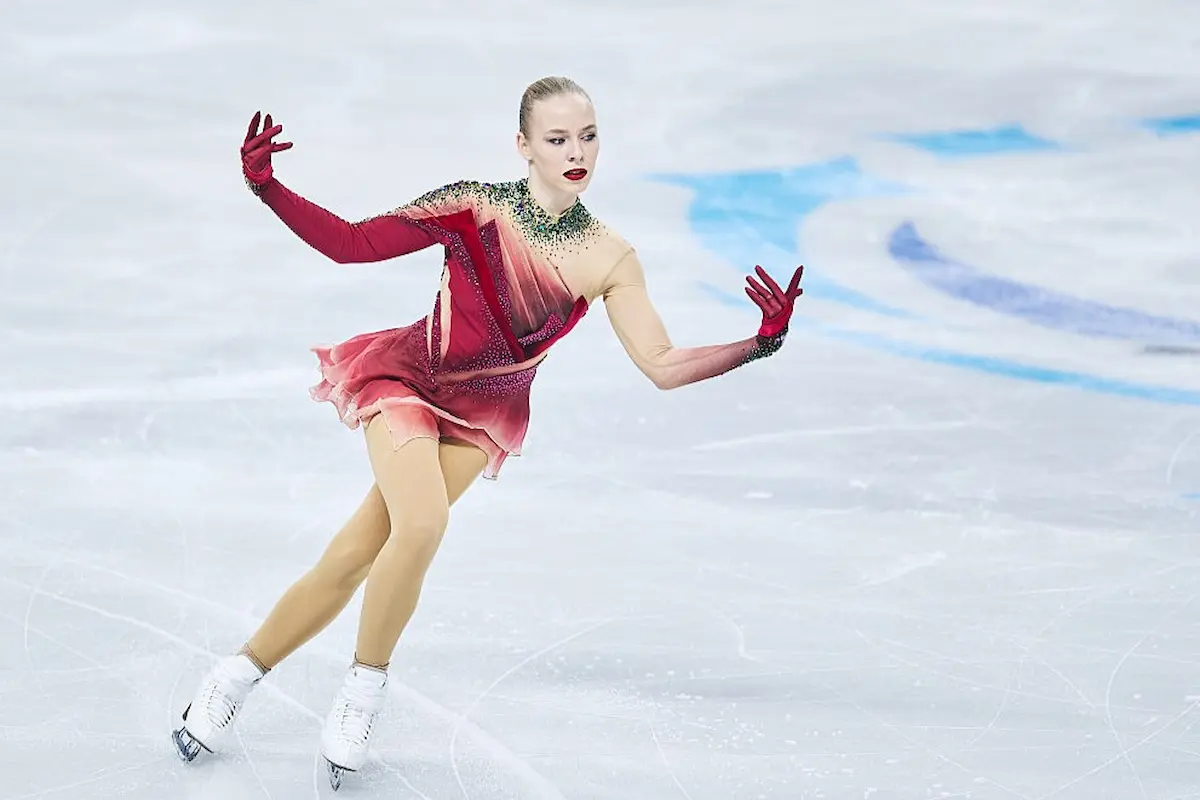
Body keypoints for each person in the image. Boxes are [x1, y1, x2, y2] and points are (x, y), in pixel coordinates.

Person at [171, 76, 804, 789]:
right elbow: (350, 245)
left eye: (588, 136)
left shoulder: (610, 257)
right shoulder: (474, 206)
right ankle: (364, 691)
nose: (576, 152)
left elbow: (659, 364)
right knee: (420, 525)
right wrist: (268, 187)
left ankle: (234, 676)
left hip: (486, 414)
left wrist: (756, 345)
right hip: (409, 378)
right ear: (524, 146)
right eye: (558, 138)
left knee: (354, 554)